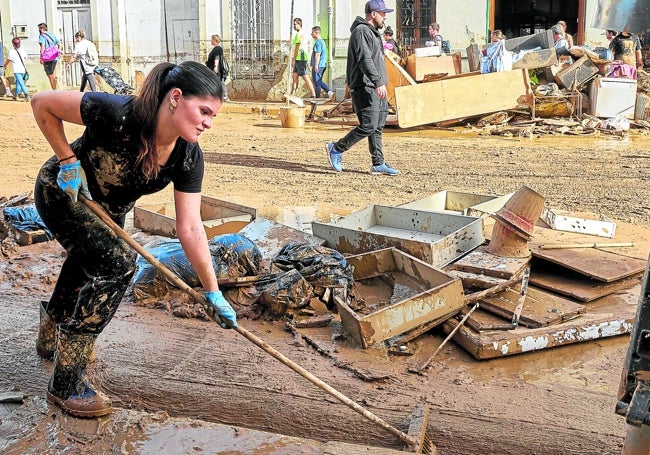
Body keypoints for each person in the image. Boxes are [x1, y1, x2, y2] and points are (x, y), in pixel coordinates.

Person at [30, 60, 238, 418]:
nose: (207, 122)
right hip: (64, 192)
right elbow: (41, 102)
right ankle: (66, 383)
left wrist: (212, 290)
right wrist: (67, 160)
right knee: (118, 265)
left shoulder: (188, 156)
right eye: (203, 111)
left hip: (109, 209)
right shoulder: (117, 113)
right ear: (176, 98)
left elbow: (189, 227)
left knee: (88, 262)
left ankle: (52, 338)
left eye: (213, 116)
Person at [325, 0, 399, 176]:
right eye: (383, 13)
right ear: (373, 14)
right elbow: (364, 60)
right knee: (368, 125)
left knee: (378, 127)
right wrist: (377, 82)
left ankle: (378, 163)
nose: (385, 17)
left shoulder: (373, 33)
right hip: (366, 87)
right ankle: (336, 148)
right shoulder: (361, 32)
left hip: (376, 87)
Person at [290, 18, 316, 97]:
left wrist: (293, 59)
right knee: (295, 76)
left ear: (299, 24)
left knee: (304, 76)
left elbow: (297, 47)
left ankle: (313, 93)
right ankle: (292, 94)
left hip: (300, 57)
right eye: (293, 24)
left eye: (295, 24)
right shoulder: (302, 33)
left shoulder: (300, 34)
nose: (294, 26)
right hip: (299, 57)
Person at [310, 26, 333, 98]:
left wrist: (316, 65)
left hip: (319, 65)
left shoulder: (318, 42)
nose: (311, 34)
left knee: (317, 82)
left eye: (312, 32)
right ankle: (330, 93)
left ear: (316, 32)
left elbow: (317, 54)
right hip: (322, 65)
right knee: (318, 81)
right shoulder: (322, 41)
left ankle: (317, 98)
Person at [38, 23, 61, 90]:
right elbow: (59, 43)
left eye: (39, 29)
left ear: (41, 29)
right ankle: (55, 88)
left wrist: (41, 57)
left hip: (47, 58)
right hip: (54, 57)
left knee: (50, 75)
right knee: (52, 74)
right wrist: (58, 52)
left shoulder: (42, 36)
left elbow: (42, 46)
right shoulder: (51, 35)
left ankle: (54, 91)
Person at [205, 34, 229, 100]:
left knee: (220, 82)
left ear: (215, 40)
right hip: (213, 68)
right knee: (217, 82)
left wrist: (215, 67)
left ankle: (225, 96)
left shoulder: (217, 48)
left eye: (212, 40)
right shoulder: (216, 48)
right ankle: (219, 96)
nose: (211, 41)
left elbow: (217, 57)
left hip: (216, 69)